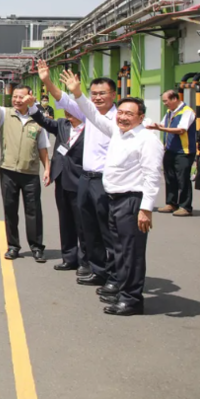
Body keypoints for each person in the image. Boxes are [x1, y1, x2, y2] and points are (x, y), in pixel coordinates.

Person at [65, 72, 162, 316]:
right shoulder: (117, 132)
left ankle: (131, 299)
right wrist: (77, 92)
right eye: (121, 113)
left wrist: (146, 209)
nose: (123, 117)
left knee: (131, 252)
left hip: (132, 201)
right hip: (115, 199)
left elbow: (152, 177)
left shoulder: (147, 140)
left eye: (130, 114)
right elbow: (92, 114)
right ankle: (122, 289)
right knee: (119, 249)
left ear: (141, 117)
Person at [37, 59, 117, 292]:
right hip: (85, 179)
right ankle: (98, 269)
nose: (98, 97)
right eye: (94, 94)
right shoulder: (87, 113)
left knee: (107, 230)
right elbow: (64, 100)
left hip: (105, 181)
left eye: (103, 93)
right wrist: (47, 81)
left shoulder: (117, 117)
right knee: (88, 228)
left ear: (113, 94)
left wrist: (78, 94)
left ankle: (114, 276)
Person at [0, 76, 50, 262]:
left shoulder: (38, 119)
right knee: (10, 209)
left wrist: (47, 169)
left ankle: (37, 247)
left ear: (30, 97)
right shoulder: (5, 114)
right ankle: (13, 246)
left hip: (30, 172)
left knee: (33, 211)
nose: (17, 100)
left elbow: (42, 147)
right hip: (8, 171)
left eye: (21, 97)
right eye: (14, 96)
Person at [28, 101, 90, 275]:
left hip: (80, 182)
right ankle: (69, 258)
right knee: (65, 221)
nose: (68, 113)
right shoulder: (63, 124)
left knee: (83, 224)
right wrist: (32, 106)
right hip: (62, 179)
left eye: (72, 110)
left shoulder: (92, 129)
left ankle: (86, 262)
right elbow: (43, 121)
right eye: (67, 110)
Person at [148, 90, 195, 217]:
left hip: (183, 151)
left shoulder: (187, 112)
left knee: (183, 178)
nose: (165, 104)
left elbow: (181, 129)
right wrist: (153, 126)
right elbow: (163, 124)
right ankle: (171, 203)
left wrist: (160, 128)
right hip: (170, 150)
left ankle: (185, 206)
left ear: (174, 99)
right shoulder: (170, 112)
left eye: (166, 101)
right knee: (170, 177)